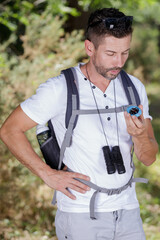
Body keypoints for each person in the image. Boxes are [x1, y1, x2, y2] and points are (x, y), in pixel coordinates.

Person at [0, 7, 159, 240]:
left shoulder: (134, 88)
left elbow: (149, 158)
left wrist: (140, 136)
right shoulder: (59, 88)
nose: (119, 62)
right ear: (89, 48)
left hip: (128, 212)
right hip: (80, 215)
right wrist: (47, 174)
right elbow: (10, 130)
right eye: (111, 53)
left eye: (125, 53)